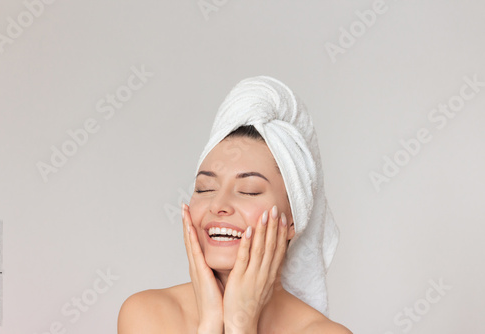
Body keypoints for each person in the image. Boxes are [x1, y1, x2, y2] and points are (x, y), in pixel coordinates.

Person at [118, 76, 352, 333]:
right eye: (205, 188)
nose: (218, 204)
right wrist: (210, 322)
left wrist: (240, 324)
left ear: (291, 222)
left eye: (248, 191)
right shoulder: (148, 315)